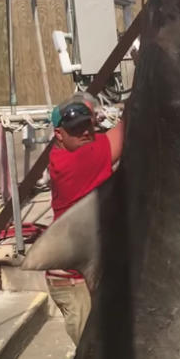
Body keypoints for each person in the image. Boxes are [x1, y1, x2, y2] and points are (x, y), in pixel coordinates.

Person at [45, 92, 124, 345]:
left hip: (82, 274)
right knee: (94, 352)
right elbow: (128, 128)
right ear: (59, 134)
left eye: (87, 125)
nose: (85, 133)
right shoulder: (80, 161)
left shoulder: (61, 155)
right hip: (73, 281)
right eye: (76, 129)